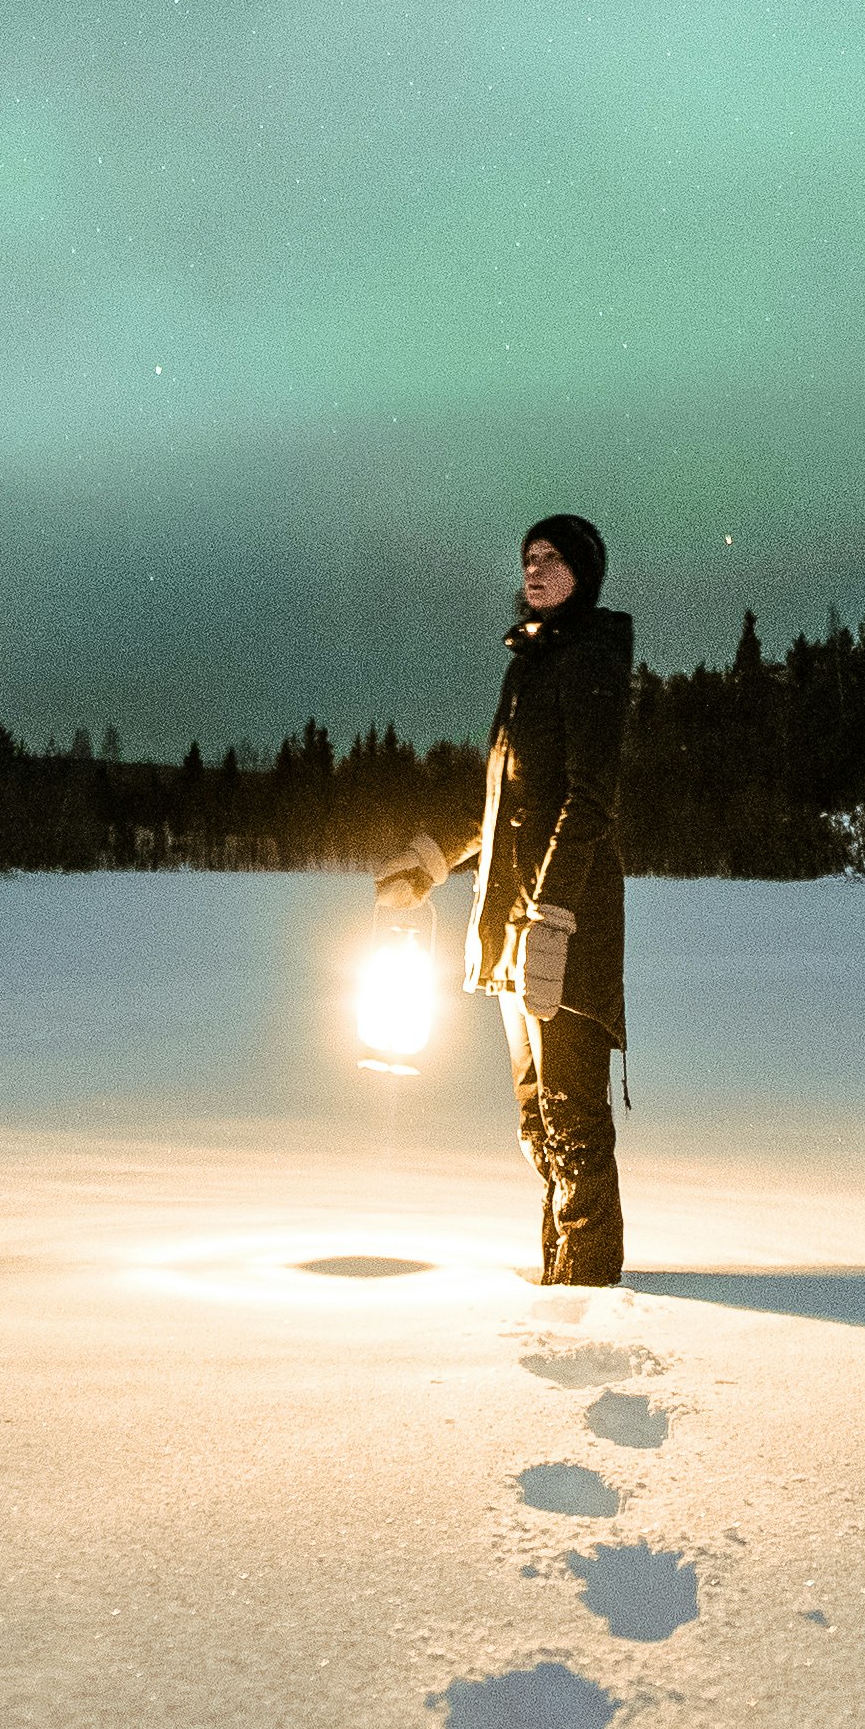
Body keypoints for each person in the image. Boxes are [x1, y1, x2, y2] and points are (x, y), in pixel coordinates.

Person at [380, 513, 633, 1285]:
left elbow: (588, 800)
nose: (535, 568)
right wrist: (428, 863)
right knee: (536, 1119)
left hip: (563, 926)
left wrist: (552, 912)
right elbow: (499, 802)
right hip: (510, 921)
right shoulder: (529, 664)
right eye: (528, 557)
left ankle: (587, 1288)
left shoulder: (589, 657)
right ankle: (560, 1275)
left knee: (571, 1118)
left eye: (553, 558)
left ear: (582, 573)